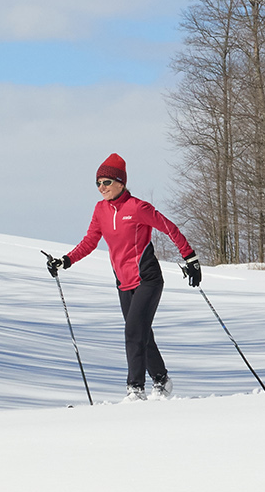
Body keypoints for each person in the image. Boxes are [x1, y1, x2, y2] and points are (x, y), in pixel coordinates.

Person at [45, 153, 200, 400]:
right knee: (141, 333)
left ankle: (135, 389)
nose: (101, 188)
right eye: (97, 183)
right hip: (123, 282)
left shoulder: (138, 208)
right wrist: (66, 260)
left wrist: (190, 257)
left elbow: (169, 228)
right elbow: (89, 241)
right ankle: (162, 380)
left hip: (147, 278)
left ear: (120, 182)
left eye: (106, 182)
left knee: (133, 331)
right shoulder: (100, 210)